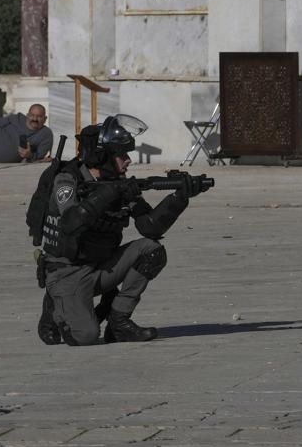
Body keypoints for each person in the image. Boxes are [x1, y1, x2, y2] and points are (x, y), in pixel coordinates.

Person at [35, 115, 210, 346]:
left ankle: (119, 322)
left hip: (100, 267)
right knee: (84, 337)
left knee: (152, 250)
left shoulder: (120, 183)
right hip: (68, 272)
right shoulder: (68, 181)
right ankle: (54, 305)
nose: (128, 161)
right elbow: (70, 222)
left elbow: (150, 227)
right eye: (122, 155)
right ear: (104, 157)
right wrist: (111, 193)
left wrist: (179, 198)